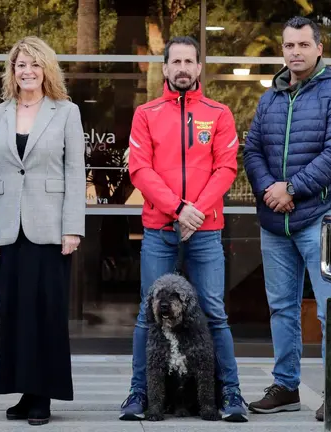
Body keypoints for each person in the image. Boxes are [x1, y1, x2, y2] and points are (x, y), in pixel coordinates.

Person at [120, 35, 249, 423]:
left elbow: (226, 169)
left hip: (206, 231)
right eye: (174, 61)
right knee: (147, 314)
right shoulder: (145, 114)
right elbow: (140, 170)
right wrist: (177, 209)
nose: (181, 68)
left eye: (188, 62)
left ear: (198, 67)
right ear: (165, 67)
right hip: (160, 228)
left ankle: (231, 394)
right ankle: (138, 394)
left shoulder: (219, 113)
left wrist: (196, 212)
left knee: (213, 312)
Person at [243, 16, 331, 422]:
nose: (295, 52)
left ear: (319, 49)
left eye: (303, 45)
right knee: (282, 308)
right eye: (289, 45)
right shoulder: (270, 96)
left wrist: (291, 188)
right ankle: (286, 385)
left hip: (321, 218)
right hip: (276, 222)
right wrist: (269, 191)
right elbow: (252, 149)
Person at [0, 36, 86, 427]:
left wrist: (73, 227)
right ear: (12, 70)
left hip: (51, 228)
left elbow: (75, 173)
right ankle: (23, 389)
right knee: (15, 312)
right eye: (21, 64)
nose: (27, 71)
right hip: (8, 229)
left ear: (46, 69)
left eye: (34, 64)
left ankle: (43, 394)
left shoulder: (66, 112)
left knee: (47, 312)